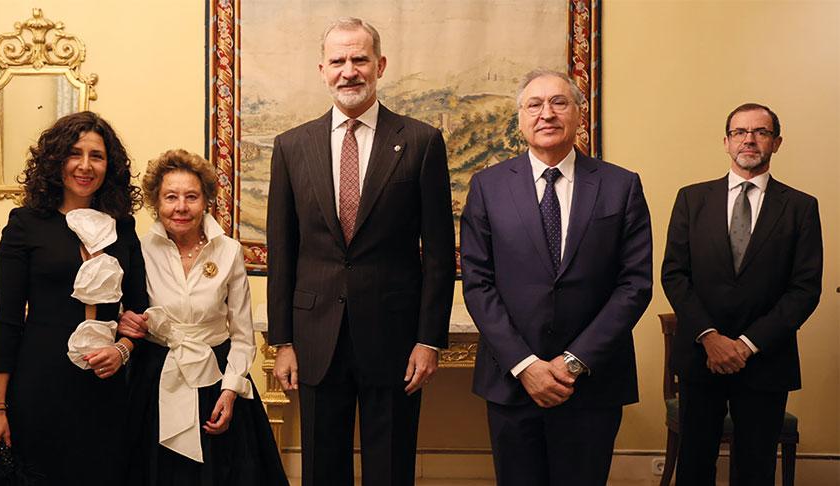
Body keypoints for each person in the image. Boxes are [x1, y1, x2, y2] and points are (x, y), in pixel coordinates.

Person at [266, 17, 456, 486]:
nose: (348, 71)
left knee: (390, 469)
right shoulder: (292, 146)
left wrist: (429, 340)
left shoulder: (421, 142)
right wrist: (282, 342)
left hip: (395, 339)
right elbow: (282, 251)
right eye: (338, 61)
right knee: (321, 469)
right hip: (315, 339)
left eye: (359, 59)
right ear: (322, 70)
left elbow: (438, 254)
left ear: (380, 65)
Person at [460, 69, 653, 486]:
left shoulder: (621, 186)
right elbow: (478, 282)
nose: (546, 113)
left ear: (579, 115)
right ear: (520, 118)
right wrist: (525, 364)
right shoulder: (488, 187)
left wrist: (572, 362)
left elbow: (634, 284)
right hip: (512, 381)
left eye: (558, 103)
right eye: (534, 105)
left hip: (592, 382)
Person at [0, 111, 148, 485]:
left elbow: (138, 311)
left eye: (96, 156)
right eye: (74, 153)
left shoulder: (124, 227)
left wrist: (121, 350)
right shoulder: (25, 224)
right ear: (56, 160)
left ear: (110, 165)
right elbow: (7, 320)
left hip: (105, 389)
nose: (85, 165)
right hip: (40, 384)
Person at [661, 103, 822, 485]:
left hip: (766, 361)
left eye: (761, 132)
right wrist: (710, 338)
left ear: (776, 143)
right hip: (701, 357)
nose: (749, 139)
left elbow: (804, 288)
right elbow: (674, 274)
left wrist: (747, 345)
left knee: (756, 470)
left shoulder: (801, 207)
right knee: (694, 467)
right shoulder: (691, 199)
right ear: (726, 142)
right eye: (740, 132)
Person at [118, 149, 287, 485]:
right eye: (171, 197)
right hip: (154, 379)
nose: (181, 207)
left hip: (216, 380)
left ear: (206, 200)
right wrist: (124, 319)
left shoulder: (229, 251)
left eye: (191, 197)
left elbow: (242, 336)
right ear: (156, 202)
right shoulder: (140, 250)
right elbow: (124, 309)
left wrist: (230, 391)